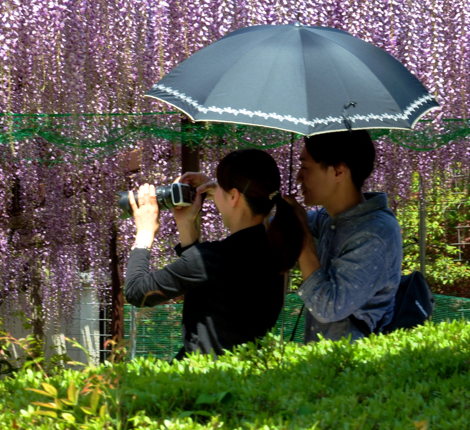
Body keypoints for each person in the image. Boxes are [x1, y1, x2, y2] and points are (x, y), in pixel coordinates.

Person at [124, 149, 305, 358]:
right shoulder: (275, 249)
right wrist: (185, 223)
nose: (214, 190)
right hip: (244, 373)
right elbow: (208, 284)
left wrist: (145, 233)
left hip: (203, 382)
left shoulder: (214, 259)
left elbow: (137, 292)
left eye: (219, 186)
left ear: (234, 196)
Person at [295, 129, 402, 341]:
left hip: (352, 369)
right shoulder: (330, 218)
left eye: (305, 167)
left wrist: (302, 236)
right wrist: (225, 195)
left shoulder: (374, 234)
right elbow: (268, 229)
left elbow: (327, 307)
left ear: (338, 171)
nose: (298, 177)